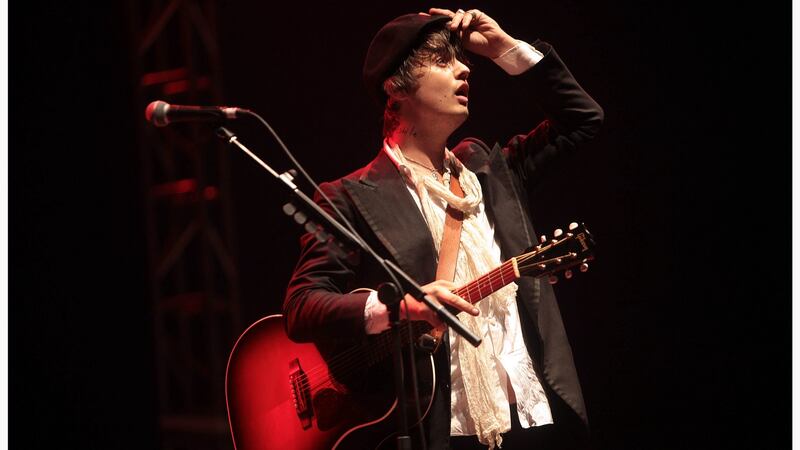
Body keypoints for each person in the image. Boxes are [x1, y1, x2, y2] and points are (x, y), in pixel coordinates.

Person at [284, 7, 603, 450]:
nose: (464, 68)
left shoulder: (489, 171)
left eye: (460, 58)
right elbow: (301, 306)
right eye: (442, 60)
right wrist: (396, 308)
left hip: (532, 414)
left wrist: (505, 49)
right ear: (395, 88)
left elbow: (583, 119)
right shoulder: (349, 196)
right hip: (440, 429)